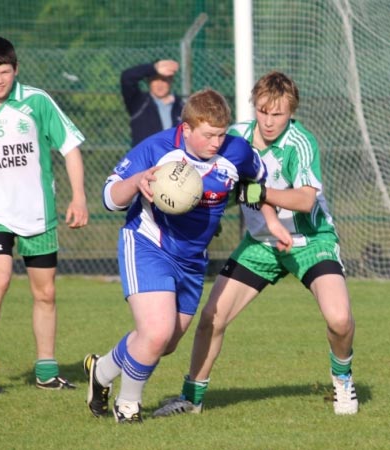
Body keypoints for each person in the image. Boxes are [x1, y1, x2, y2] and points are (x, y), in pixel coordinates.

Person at [152, 71, 359, 418]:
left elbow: (306, 199)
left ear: (290, 111)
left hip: (309, 241)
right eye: (262, 111)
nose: (268, 120)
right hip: (260, 244)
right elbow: (221, 186)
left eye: (277, 114)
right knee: (211, 319)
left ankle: (342, 379)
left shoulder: (301, 142)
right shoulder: (236, 138)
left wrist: (262, 192)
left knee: (339, 320)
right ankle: (191, 399)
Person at [83, 87, 292, 423]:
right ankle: (128, 405)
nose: (217, 142)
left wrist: (271, 222)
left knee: (164, 344)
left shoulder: (236, 151)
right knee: (154, 333)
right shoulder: (158, 147)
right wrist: (136, 181)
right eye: (209, 135)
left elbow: (257, 183)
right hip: (148, 243)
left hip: (193, 259)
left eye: (222, 134)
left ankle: (101, 370)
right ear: (188, 128)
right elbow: (109, 196)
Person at [0, 36, 88, 393]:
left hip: (37, 214)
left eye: (5, 71)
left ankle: (46, 372)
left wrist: (79, 197)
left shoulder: (37, 101)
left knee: (44, 293)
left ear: (16, 69)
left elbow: (71, 147)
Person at [120, 59, 185, 146]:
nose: (159, 84)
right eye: (155, 79)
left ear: (171, 81)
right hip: (146, 159)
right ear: (149, 81)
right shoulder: (139, 102)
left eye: (164, 80)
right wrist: (153, 68)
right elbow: (127, 78)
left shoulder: (181, 106)